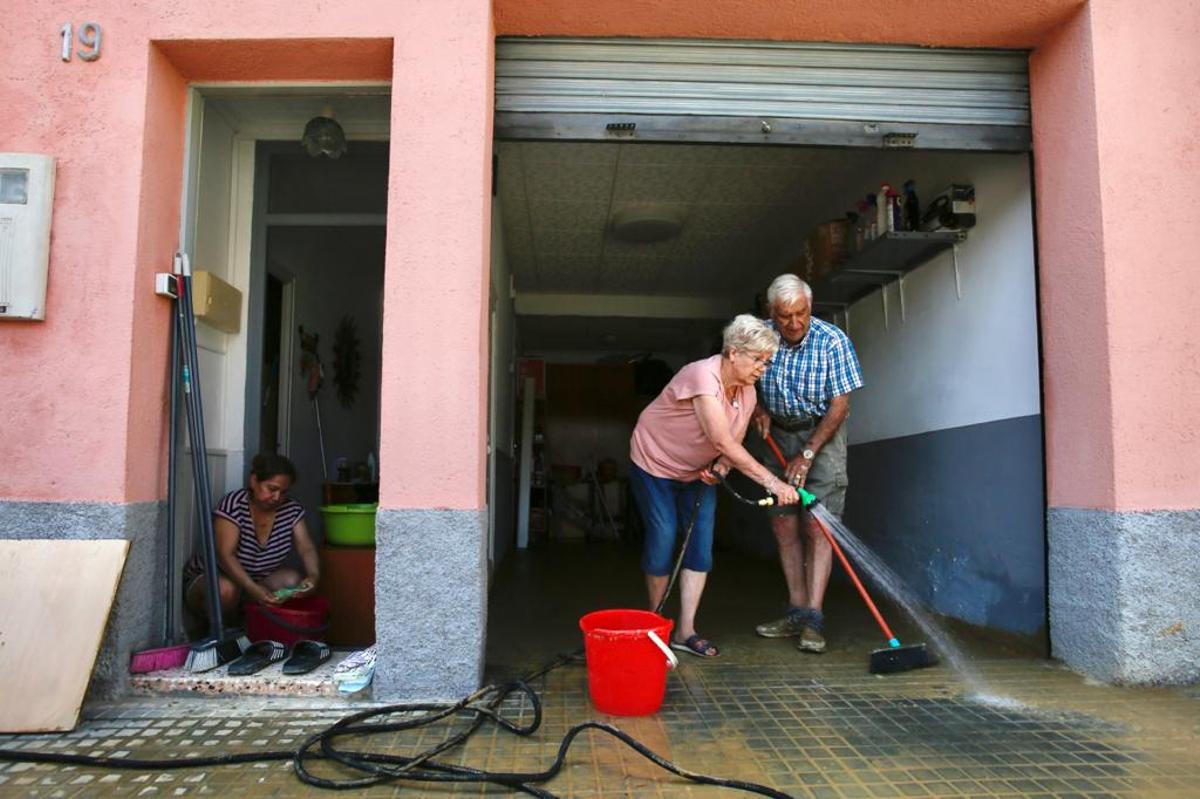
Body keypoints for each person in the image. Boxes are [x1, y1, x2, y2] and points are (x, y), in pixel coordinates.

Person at [630, 314, 800, 658]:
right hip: (654, 463)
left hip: (697, 472)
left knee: (701, 547)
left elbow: (730, 446)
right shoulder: (701, 376)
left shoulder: (748, 392)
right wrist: (772, 482)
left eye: (767, 362)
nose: (762, 368)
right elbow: (723, 440)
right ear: (734, 352)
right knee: (664, 537)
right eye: (757, 359)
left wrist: (720, 469)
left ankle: (685, 630)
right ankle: (656, 625)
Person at [749, 274, 864, 654]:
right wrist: (759, 407)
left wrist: (809, 452)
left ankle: (814, 619)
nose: (794, 323)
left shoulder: (833, 341)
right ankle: (796, 611)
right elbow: (742, 379)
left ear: (810, 307)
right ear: (771, 313)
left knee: (817, 527)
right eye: (785, 316)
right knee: (784, 524)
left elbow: (840, 406)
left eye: (801, 313)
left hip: (822, 435)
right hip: (778, 436)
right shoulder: (759, 337)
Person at [185, 453, 320, 618]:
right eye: (272, 489)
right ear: (254, 481)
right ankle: (217, 634)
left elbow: (306, 547)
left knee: (292, 581)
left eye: (283, 492)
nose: (277, 497)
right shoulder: (233, 504)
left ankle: (247, 623)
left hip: (254, 583)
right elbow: (225, 555)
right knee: (226, 590)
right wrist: (254, 590)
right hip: (213, 580)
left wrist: (313, 576)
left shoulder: (291, 510)